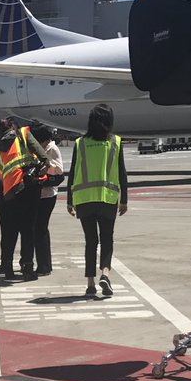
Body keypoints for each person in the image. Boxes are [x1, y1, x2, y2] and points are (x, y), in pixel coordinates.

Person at [0, 115, 49, 282]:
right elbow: (43, 158)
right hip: (28, 191)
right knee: (27, 231)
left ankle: (7, 267)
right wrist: (39, 170)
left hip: (6, 196)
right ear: (15, 127)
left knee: (8, 233)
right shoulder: (24, 135)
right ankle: (27, 267)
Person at [67, 103, 128, 299]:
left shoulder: (80, 143)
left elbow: (73, 171)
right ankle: (105, 274)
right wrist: (124, 200)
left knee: (90, 241)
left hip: (84, 200)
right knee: (107, 239)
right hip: (107, 199)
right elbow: (122, 172)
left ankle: (90, 283)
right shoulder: (115, 142)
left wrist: (69, 200)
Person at [30, 123, 65, 277]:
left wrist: (46, 164)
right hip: (38, 193)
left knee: (41, 229)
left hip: (48, 194)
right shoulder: (43, 149)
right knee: (36, 229)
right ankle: (41, 263)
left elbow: (59, 170)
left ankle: (44, 265)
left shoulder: (52, 149)